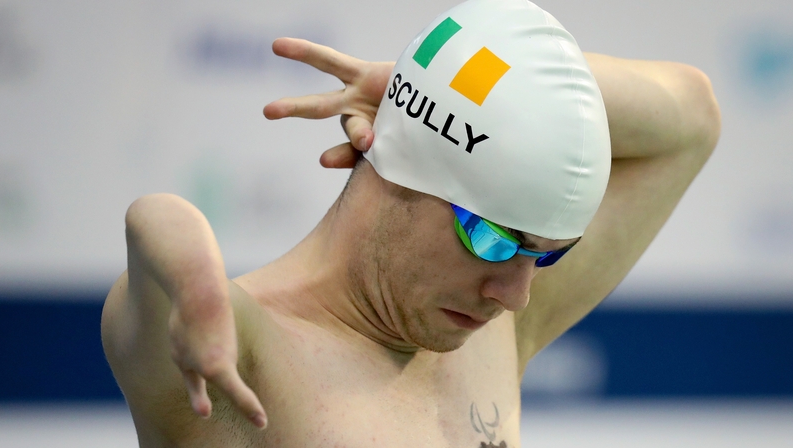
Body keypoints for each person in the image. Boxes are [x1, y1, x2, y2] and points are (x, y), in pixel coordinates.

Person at [101, 1, 721, 446]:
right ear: (402, 172)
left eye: (545, 255)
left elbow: (692, 115)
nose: (516, 295)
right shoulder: (247, 355)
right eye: (493, 238)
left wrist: (432, 84)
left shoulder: (490, 333)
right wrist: (199, 289)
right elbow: (154, 229)